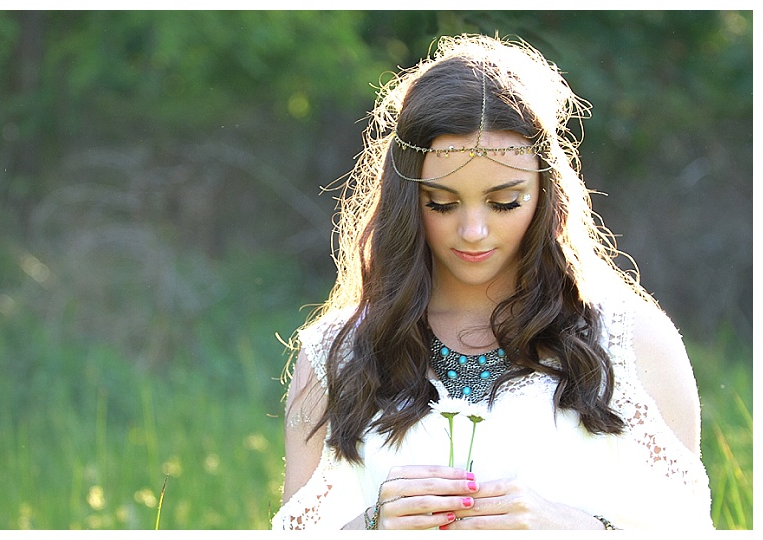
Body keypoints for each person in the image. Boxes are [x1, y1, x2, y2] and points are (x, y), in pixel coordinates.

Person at [271, 34, 712, 530]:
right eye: (442, 202)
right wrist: (370, 527)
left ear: (545, 192)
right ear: (405, 198)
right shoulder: (337, 354)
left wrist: (576, 530)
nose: (473, 231)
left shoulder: (634, 344)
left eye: (504, 202)